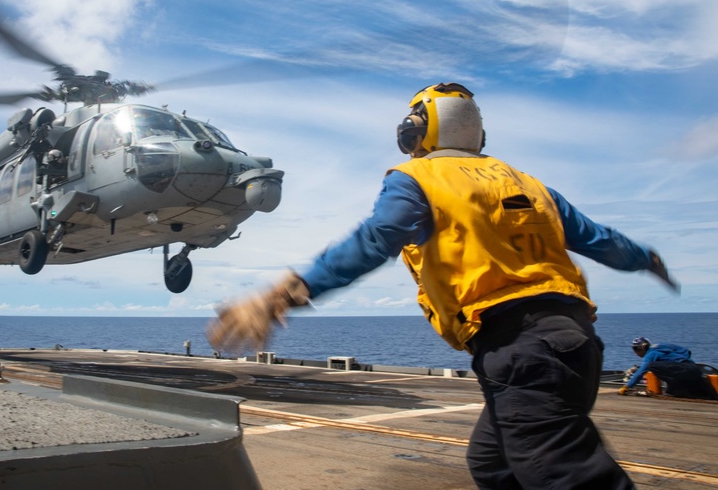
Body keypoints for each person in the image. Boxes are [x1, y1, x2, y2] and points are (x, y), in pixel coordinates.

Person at [207, 82, 679, 490]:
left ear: (421, 128)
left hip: (519, 346)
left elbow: (376, 240)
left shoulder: (418, 178)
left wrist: (286, 292)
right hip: (575, 344)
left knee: (561, 473)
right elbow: (600, 240)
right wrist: (647, 259)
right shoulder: (531, 185)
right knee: (493, 464)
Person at [621, 337, 717, 400]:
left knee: (652, 366)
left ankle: (677, 389)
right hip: (693, 368)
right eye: (634, 349)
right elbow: (686, 351)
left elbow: (642, 371)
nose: (636, 352)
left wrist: (627, 386)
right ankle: (679, 389)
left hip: (684, 369)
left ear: (644, 347)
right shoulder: (661, 346)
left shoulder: (650, 354)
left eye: (637, 349)